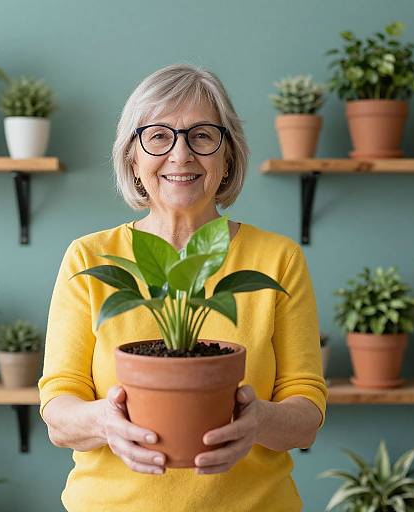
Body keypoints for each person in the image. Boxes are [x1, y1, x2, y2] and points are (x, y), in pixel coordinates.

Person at [38, 63, 327, 512]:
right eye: (158, 136)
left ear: (227, 155)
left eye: (202, 136)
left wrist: (259, 421)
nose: (181, 155)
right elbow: (59, 406)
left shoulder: (277, 259)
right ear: (132, 156)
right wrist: (104, 423)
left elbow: (306, 411)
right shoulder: (89, 258)